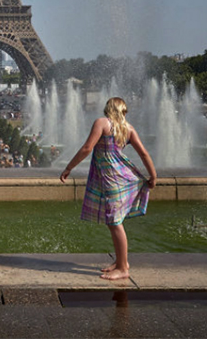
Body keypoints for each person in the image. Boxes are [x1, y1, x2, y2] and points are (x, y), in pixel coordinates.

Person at [59, 97, 157, 281]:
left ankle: (122, 268)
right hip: (120, 176)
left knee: (114, 223)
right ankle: (122, 262)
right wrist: (153, 176)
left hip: (111, 179)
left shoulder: (102, 123)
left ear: (108, 108)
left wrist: (69, 167)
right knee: (114, 221)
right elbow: (143, 153)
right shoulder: (128, 128)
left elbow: (88, 148)